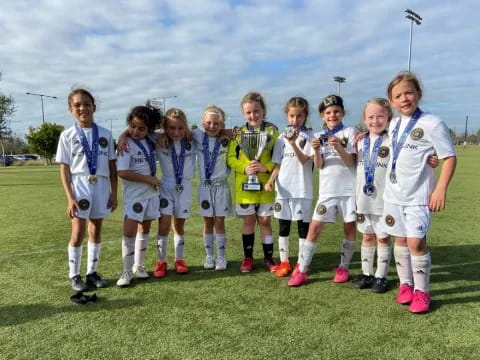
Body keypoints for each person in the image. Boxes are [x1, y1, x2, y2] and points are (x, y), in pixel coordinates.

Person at [384, 71, 456, 313]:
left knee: (416, 242)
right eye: (398, 95)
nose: (404, 99)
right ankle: (405, 285)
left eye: (408, 92)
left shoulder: (432, 123)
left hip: (418, 197)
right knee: (400, 240)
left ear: (419, 94)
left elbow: (449, 158)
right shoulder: (393, 124)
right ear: (392, 102)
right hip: (393, 195)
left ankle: (422, 291)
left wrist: (440, 188)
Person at [288, 94, 357, 287]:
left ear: (342, 113)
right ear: (321, 116)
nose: (332, 115)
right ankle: (302, 270)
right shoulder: (317, 136)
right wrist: (317, 151)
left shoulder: (350, 132)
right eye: (328, 112)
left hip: (349, 190)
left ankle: (344, 267)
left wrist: (339, 148)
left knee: (349, 227)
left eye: (336, 111)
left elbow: (351, 161)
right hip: (327, 191)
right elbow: (319, 165)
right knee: (315, 228)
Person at [56, 88, 118, 291]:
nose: (83, 108)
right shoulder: (67, 135)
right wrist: (69, 197)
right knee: (78, 231)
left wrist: (114, 193)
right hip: (80, 185)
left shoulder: (106, 135)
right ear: (70, 109)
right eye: (78, 105)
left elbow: (112, 167)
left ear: (94, 107)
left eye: (87, 104)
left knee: (96, 229)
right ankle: (74, 275)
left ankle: (92, 272)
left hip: (100, 185)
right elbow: (64, 169)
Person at [227, 92, 279, 272]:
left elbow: (278, 157)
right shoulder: (238, 134)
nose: (253, 115)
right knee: (249, 221)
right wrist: (244, 167)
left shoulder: (272, 132)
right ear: (243, 114)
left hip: (266, 185)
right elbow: (231, 158)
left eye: (256, 111)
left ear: (263, 111)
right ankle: (248, 258)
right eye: (248, 112)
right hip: (245, 187)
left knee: (265, 221)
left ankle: (269, 258)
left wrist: (266, 167)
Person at [265, 96, 314, 277]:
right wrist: (270, 181)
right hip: (283, 189)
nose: (295, 120)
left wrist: (293, 143)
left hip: (302, 189)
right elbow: (278, 164)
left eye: (299, 116)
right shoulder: (280, 139)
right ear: (287, 116)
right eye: (292, 116)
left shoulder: (310, 136)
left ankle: (302, 263)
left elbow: (303, 160)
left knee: (302, 228)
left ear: (305, 116)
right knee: (283, 227)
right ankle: (284, 262)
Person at [116, 103, 162, 287]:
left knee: (145, 229)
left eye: (142, 128)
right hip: (134, 195)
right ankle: (126, 272)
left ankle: (139, 266)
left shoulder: (150, 139)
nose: (136, 131)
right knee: (129, 233)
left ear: (149, 129)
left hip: (150, 194)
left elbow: (167, 127)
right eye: (132, 126)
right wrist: (149, 179)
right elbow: (122, 172)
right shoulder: (125, 144)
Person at [352, 98, 393, 293]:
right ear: (364, 118)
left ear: (388, 118)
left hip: (383, 201)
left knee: (383, 238)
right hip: (363, 200)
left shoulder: (392, 140)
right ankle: (367, 273)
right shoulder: (359, 142)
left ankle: (381, 276)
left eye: (380, 116)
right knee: (367, 236)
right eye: (371, 117)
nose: (375, 121)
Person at [153, 108, 195, 277]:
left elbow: (217, 130)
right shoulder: (157, 138)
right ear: (165, 127)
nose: (176, 132)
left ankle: (179, 259)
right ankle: (161, 261)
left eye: (180, 128)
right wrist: (122, 136)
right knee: (163, 224)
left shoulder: (194, 137)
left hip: (184, 186)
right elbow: (135, 128)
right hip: (166, 185)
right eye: (171, 128)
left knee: (179, 225)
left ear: (186, 127)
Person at [192, 105, 232, 270]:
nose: (212, 126)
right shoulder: (197, 136)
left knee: (220, 221)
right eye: (209, 122)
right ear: (202, 123)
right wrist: (123, 135)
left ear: (222, 125)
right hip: (204, 187)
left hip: (221, 186)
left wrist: (228, 132)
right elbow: (178, 130)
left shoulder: (227, 139)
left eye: (217, 123)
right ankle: (209, 257)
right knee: (208, 221)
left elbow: (240, 132)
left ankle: (221, 258)